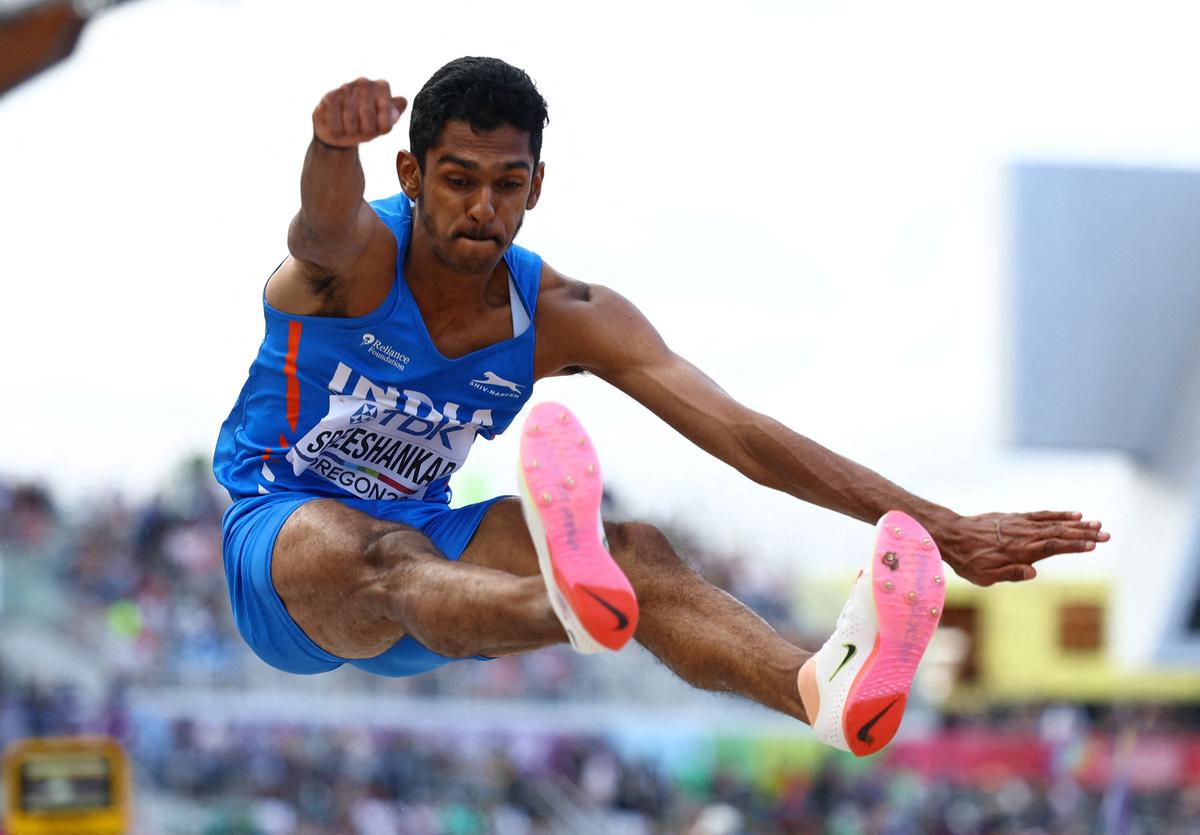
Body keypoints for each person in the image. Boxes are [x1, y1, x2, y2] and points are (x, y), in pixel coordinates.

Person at [213, 57, 1109, 756]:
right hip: (286, 550)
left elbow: (743, 435)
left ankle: (815, 689)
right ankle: (566, 600)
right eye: (457, 179)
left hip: (450, 572)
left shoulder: (560, 314)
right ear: (410, 171)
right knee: (376, 550)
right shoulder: (358, 262)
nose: (483, 208)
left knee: (638, 551)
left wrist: (944, 528)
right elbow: (318, 232)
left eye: (508, 183)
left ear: (537, 184)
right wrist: (332, 148)